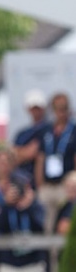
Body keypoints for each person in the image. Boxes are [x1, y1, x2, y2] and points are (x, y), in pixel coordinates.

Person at [0, 170, 46, 272]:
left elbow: (42, 228)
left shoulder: (36, 206)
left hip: (32, 264)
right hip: (9, 264)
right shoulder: (5, 207)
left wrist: (29, 207)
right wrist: (6, 205)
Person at [35, 92, 76, 234]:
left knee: (65, 224)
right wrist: (40, 184)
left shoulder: (73, 131)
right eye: (58, 108)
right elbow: (40, 158)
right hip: (48, 185)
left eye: (64, 108)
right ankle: (49, 255)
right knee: (46, 225)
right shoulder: (46, 131)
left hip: (65, 185)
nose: (61, 112)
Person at [12, 89, 49, 187]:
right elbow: (13, 156)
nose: (35, 111)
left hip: (41, 179)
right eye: (33, 108)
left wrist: (22, 152)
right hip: (23, 179)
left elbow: (32, 152)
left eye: (38, 108)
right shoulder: (22, 133)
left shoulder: (47, 129)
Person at [54, 170, 76, 234]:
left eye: (73, 187)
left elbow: (64, 227)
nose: (70, 189)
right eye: (68, 186)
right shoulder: (65, 205)